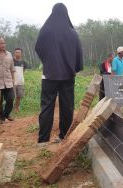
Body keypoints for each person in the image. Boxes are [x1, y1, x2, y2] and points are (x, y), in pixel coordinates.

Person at [35, 3, 83, 144]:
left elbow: (38, 47)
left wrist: (48, 62)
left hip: (49, 75)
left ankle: (43, 140)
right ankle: (64, 137)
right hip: (68, 76)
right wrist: (75, 67)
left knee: (47, 106)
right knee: (67, 106)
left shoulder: (45, 30)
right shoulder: (73, 33)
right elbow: (79, 53)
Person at [13, 48, 27, 112]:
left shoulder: (24, 62)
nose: (17, 54)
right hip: (12, 82)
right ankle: (10, 108)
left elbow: (23, 71)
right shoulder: (11, 61)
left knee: (19, 96)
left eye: (19, 52)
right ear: (14, 53)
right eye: (16, 52)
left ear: (21, 54)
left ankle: (16, 108)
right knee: (12, 96)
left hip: (20, 81)